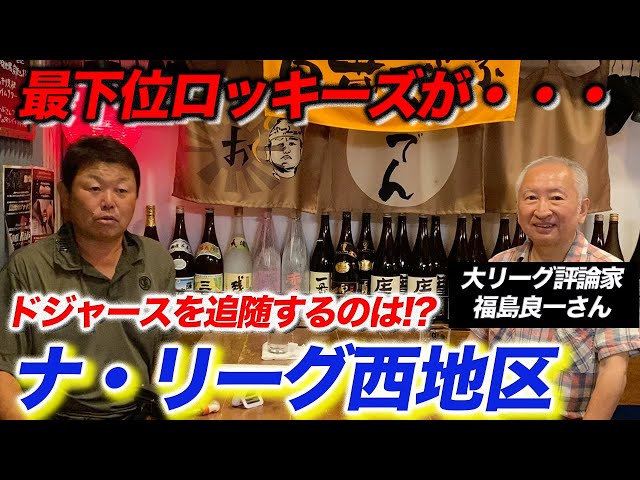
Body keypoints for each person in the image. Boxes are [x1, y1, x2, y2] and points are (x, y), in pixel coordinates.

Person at [0, 135, 179, 420]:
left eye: (122, 190)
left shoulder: (156, 260)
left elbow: (168, 355)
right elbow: (4, 373)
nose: (108, 202)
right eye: (94, 188)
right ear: (65, 195)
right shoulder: (29, 267)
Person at [466, 155, 640, 420]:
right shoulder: (499, 265)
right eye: (531, 198)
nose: (542, 211)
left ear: (582, 209)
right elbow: (476, 343)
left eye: (556, 198)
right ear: (517, 207)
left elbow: (614, 370)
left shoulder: (608, 271)